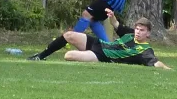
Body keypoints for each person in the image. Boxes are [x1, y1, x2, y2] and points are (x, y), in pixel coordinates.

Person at [28, 9, 171, 69]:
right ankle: (40, 56)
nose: (138, 32)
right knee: (69, 35)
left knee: (68, 55)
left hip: (103, 56)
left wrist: (168, 69)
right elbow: (115, 24)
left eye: (142, 30)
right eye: (137, 29)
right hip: (100, 44)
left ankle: (84, 55)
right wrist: (112, 15)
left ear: (148, 34)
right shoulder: (129, 33)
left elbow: (156, 63)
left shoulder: (145, 50)